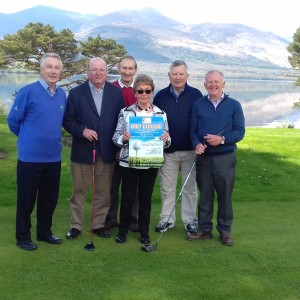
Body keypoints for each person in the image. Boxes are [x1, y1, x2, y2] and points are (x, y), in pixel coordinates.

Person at [7, 53, 66, 250]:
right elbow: (13, 122)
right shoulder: (28, 92)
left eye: (56, 68)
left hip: (53, 157)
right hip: (30, 158)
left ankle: (44, 232)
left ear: (60, 71)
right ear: (41, 70)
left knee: (49, 199)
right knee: (27, 199)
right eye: (49, 67)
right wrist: (27, 138)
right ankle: (23, 237)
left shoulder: (61, 95)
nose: (53, 71)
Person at [63, 57, 124, 240]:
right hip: (82, 151)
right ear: (87, 72)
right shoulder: (76, 93)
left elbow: (120, 122)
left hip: (107, 151)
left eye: (102, 70)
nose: (98, 73)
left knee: (103, 192)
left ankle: (98, 225)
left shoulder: (116, 93)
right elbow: (68, 120)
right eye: (94, 70)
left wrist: (120, 144)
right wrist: (82, 130)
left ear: (107, 72)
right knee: (78, 191)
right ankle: (76, 226)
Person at [188, 70, 245, 246]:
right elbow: (193, 130)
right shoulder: (198, 104)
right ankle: (204, 229)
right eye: (209, 82)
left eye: (216, 82)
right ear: (205, 85)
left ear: (223, 84)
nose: (213, 85)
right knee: (204, 195)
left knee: (224, 196)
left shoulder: (234, 105)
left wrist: (221, 140)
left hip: (225, 158)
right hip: (204, 158)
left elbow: (240, 131)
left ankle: (225, 231)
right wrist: (196, 144)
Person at [112, 74, 171, 244]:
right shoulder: (126, 112)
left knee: (145, 199)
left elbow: (167, 143)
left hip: (150, 163)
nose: (144, 94)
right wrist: (123, 138)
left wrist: (166, 138)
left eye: (148, 90)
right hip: (128, 163)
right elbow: (115, 137)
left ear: (152, 92)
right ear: (135, 93)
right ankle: (122, 231)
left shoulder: (160, 114)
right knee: (127, 198)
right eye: (140, 91)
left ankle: (144, 232)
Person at [153, 60, 203, 234]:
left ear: (187, 76)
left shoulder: (196, 95)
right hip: (168, 151)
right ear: (169, 76)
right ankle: (166, 219)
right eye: (174, 74)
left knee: (190, 189)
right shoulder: (160, 96)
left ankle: (190, 220)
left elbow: (201, 121)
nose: (177, 77)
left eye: (181, 74)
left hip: (190, 150)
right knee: (167, 188)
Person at [105, 55, 139, 232]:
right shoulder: (110, 89)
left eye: (130, 68)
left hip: (136, 146)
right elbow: (109, 120)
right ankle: (111, 218)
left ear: (135, 70)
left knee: (133, 186)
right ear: (119, 69)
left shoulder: (141, 89)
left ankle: (133, 218)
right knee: (113, 185)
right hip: (115, 145)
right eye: (124, 68)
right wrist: (118, 146)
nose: (127, 71)